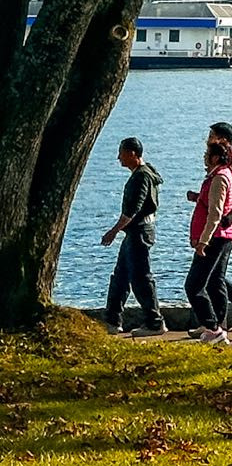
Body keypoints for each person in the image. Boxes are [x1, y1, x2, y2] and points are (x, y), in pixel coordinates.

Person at [187, 123, 232, 334]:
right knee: (213, 278)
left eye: (211, 137)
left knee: (210, 279)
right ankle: (218, 324)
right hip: (226, 227)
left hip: (223, 229)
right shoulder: (231, 164)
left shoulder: (230, 166)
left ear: (223, 141)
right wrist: (199, 198)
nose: (207, 140)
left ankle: (222, 323)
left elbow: (231, 200)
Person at [101, 137, 165, 337]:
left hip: (139, 232)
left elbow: (133, 210)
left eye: (121, 153)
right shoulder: (143, 174)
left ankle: (155, 322)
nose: (118, 157)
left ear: (132, 154)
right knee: (120, 276)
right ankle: (112, 320)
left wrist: (113, 231)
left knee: (140, 277)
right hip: (134, 232)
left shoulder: (142, 177)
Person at [185, 143, 232, 345]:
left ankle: (214, 329)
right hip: (219, 236)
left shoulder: (220, 178)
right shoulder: (218, 176)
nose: (204, 157)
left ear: (216, 157)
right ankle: (213, 329)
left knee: (193, 285)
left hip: (215, 237)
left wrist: (203, 241)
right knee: (211, 281)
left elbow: (215, 213)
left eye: (207, 154)